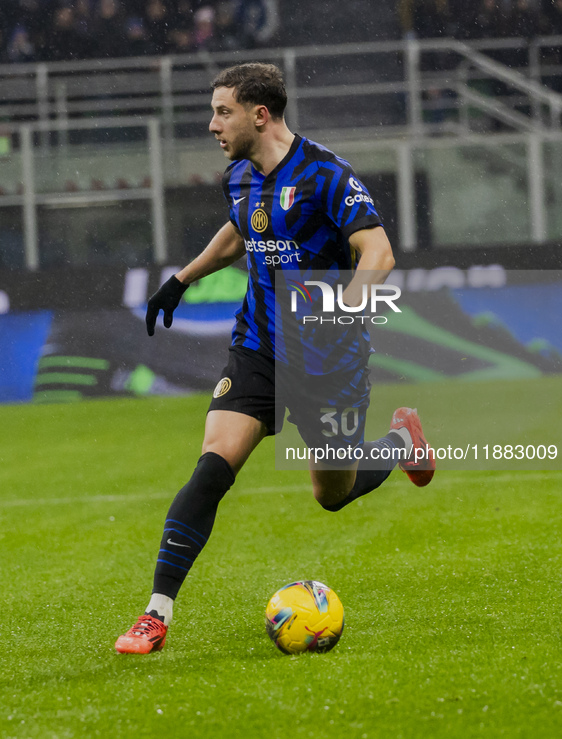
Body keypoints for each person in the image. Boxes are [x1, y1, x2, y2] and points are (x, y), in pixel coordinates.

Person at [115, 62, 435, 654]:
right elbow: (241, 231)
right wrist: (182, 279)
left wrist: (343, 309)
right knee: (214, 464)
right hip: (259, 345)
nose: (212, 124)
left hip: (328, 360)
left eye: (222, 111)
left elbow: (378, 251)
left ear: (259, 115)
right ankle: (155, 615)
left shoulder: (324, 174)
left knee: (331, 494)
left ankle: (400, 445)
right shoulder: (240, 175)